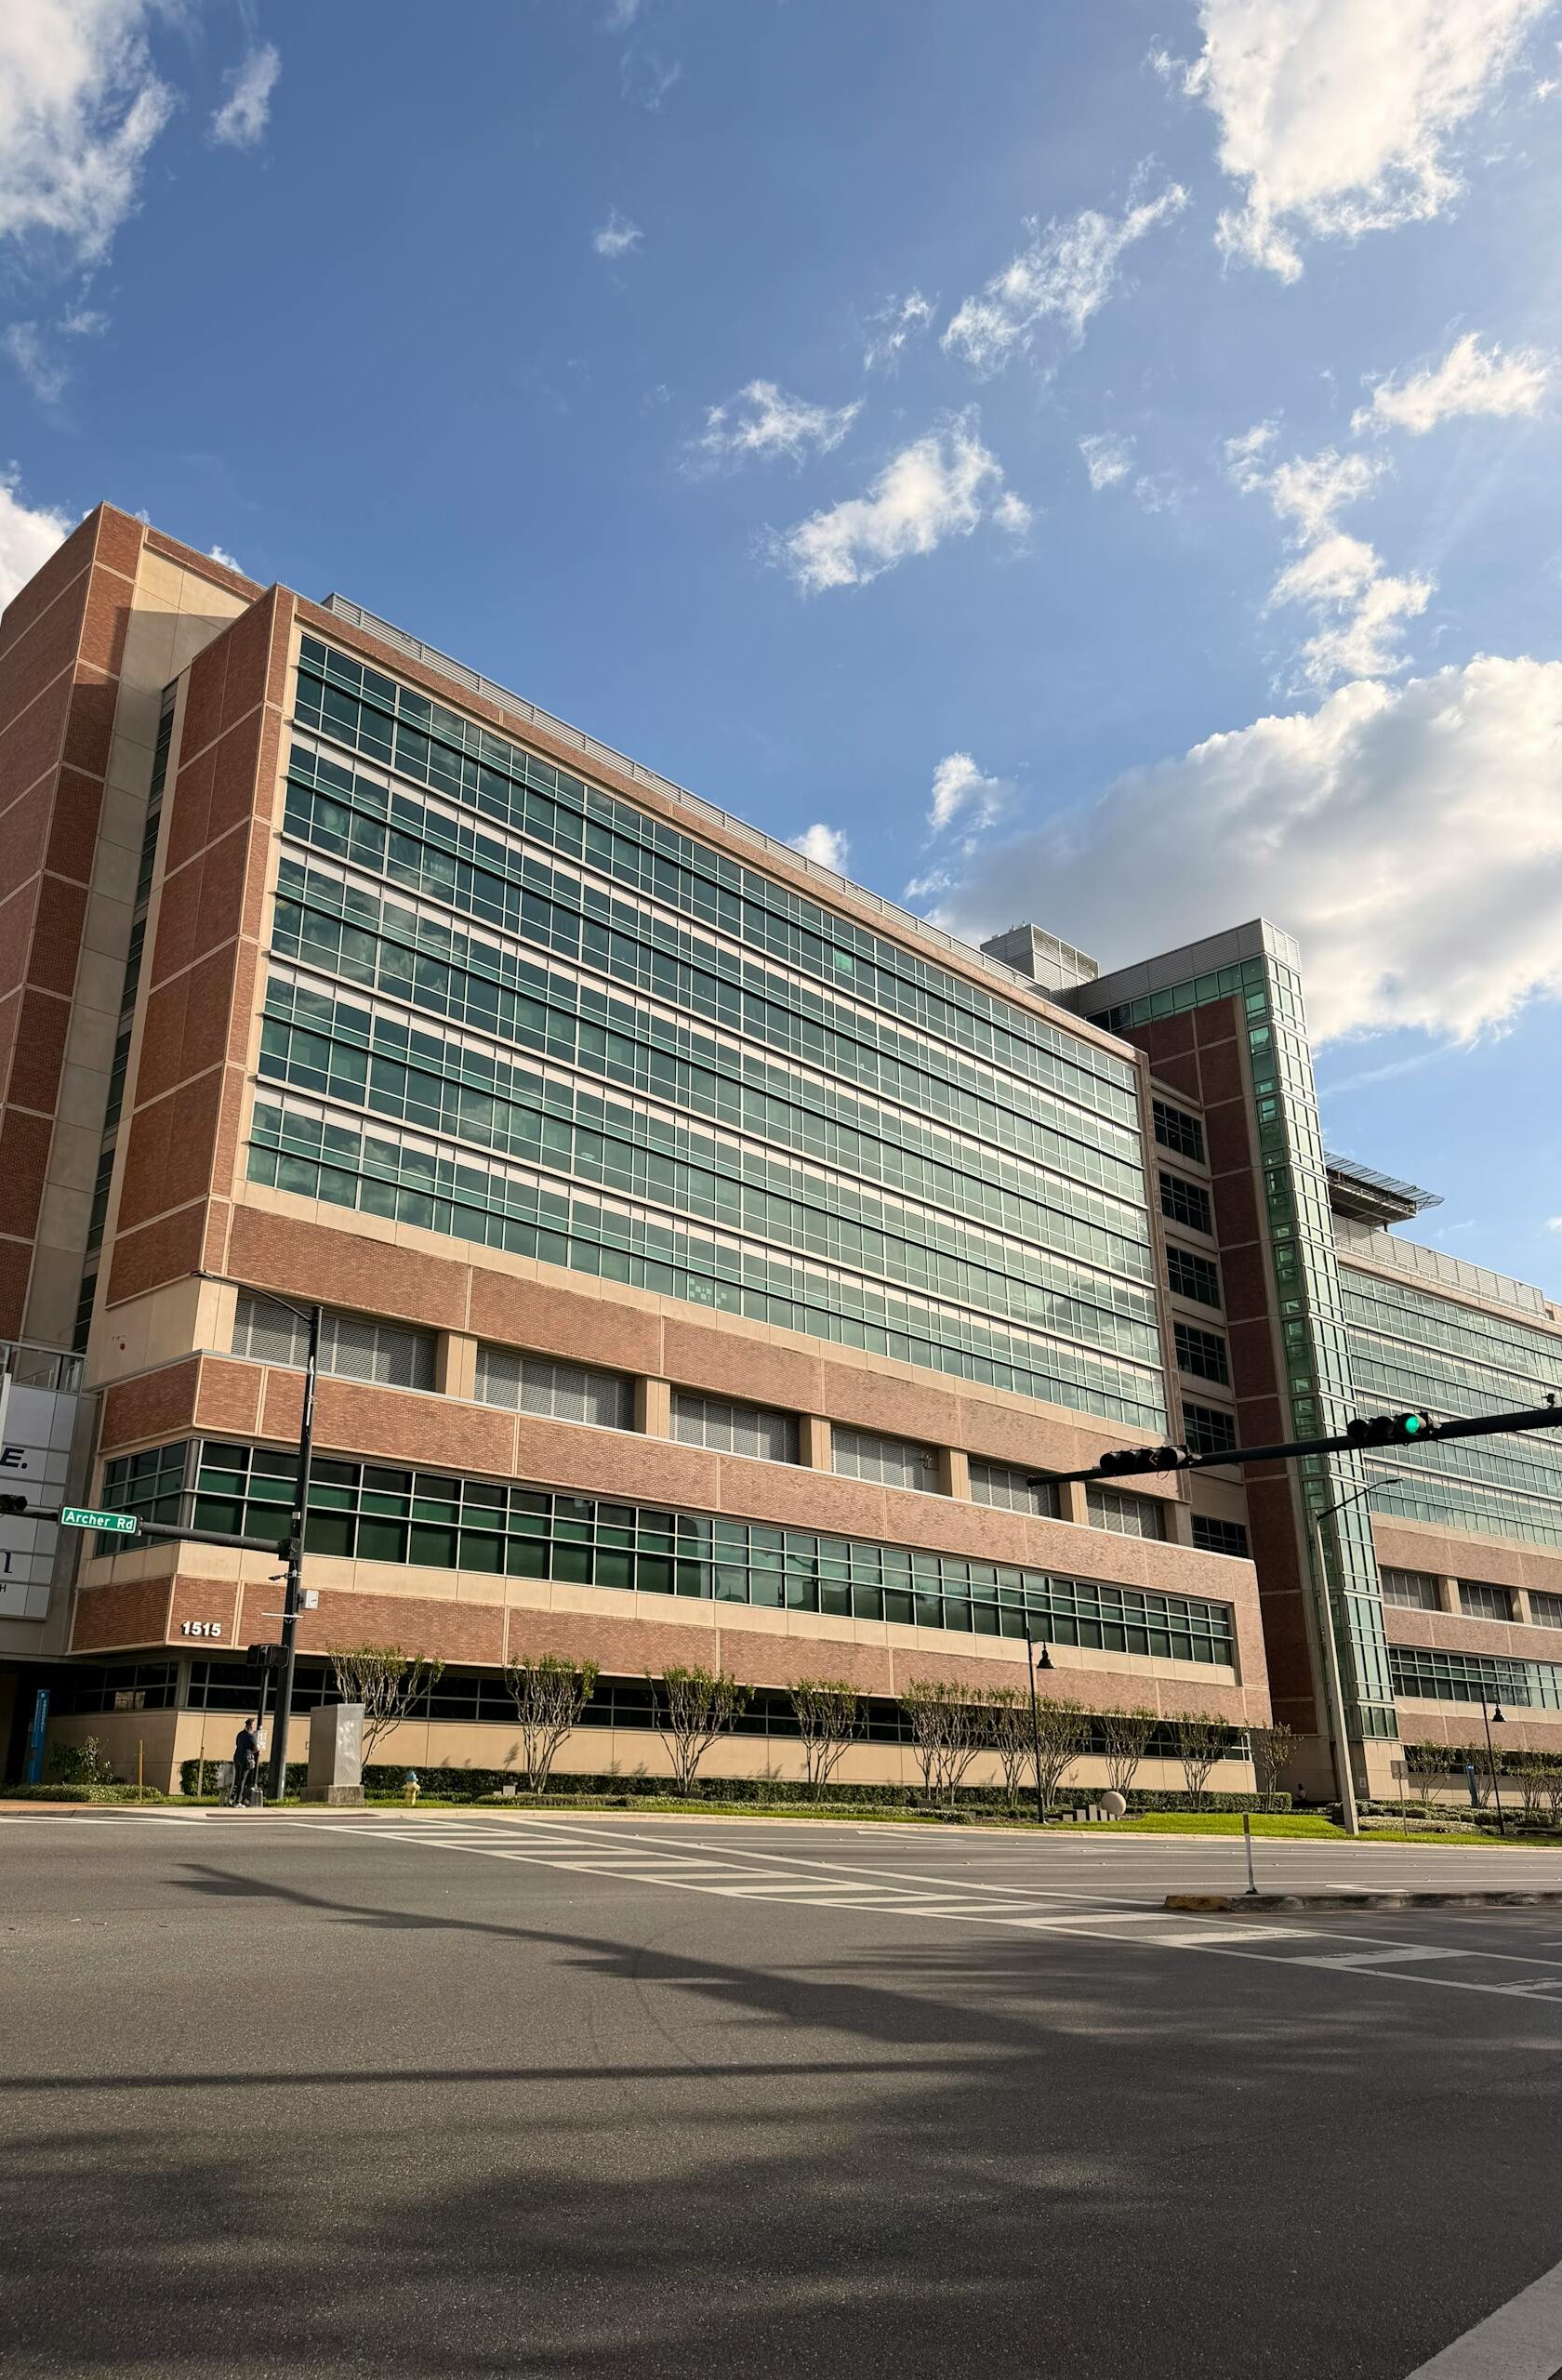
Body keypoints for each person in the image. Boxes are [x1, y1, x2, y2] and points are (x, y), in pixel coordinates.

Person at [232, 1719, 261, 1807]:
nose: (253, 1727)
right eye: (253, 1725)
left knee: (237, 1779)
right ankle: (238, 1801)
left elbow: (237, 1744)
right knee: (242, 1780)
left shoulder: (240, 1734)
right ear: (250, 1725)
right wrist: (253, 1752)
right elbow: (256, 1748)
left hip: (237, 1757)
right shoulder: (251, 1736)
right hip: (246, 1758)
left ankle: (232, 1799)